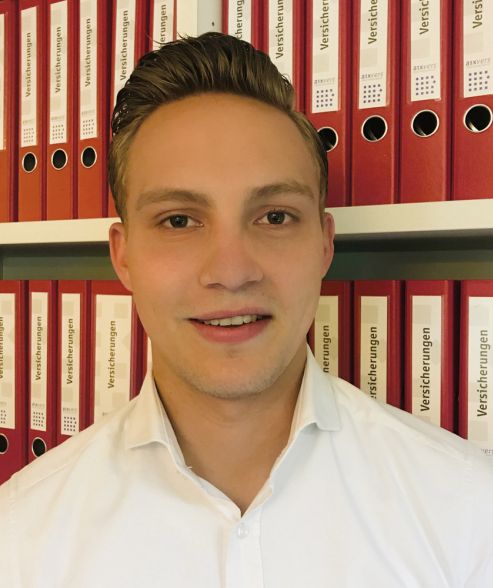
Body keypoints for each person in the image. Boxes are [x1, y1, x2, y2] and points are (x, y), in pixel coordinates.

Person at [1, 32, 492, 587]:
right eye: (179, 221)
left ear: (324, 245)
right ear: (124, 256)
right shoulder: (20, 536)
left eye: (274, 217)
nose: (231, 272)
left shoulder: (469, 514)